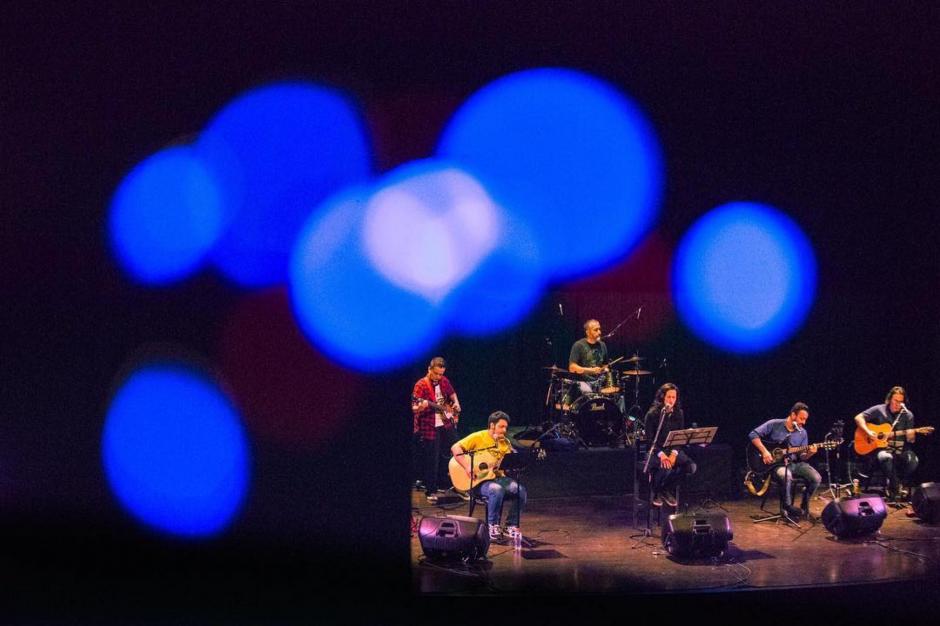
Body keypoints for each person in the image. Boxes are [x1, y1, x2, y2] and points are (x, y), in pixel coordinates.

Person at [451, 411, 527, 542]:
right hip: (478, 481)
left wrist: (516, 459)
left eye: (506, 427)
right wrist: (467, 466)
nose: (505, 430)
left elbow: (508, 461)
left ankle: (511, 525)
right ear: (492, 425)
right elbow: (455, 448)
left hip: (498, 478)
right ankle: (492, 526)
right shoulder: (478, 436)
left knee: (520, 490)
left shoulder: (505, 442)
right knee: (496, 489)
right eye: (501, 427)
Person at [748, 402, 821, 519]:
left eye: (805, 419)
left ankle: (803, 505)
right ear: (793, 415)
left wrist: (810, 453)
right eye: (801, 418)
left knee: (816, 478)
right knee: (785, 475)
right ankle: (787, 507)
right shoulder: (774, 424)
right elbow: (753, 434)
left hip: (795, 463)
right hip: (776, 465)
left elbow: (802, 456)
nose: (804, 422)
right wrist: (765, 451)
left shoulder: (803, 432)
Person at [853, 386, 920, 500]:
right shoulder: (880, 409)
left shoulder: (908, 415)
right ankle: (896, 487)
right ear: (889, 399)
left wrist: (912, 436)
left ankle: (895, 483)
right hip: (880, 449)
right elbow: (858, 417)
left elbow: (910, 440)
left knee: (913, 461)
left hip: (900, 449)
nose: (897, 404)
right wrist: (868, 431)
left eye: (900, 401)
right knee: (885, 456)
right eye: (895, 400)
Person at [412, 357, 463, 504]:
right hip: (429, 425)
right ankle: (431, 490)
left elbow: (452, 394)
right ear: (429, 369)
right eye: (436, 374)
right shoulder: (421, 385)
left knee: (458, 449)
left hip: (446, 422)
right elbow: (414, 407)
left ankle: (458, 484)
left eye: (441, 374)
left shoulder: (444, 381)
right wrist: (420, 406)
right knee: (431, 458)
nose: (439, 377)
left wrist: (456, 405)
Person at [643, 383, 697, 507]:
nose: (671, 400)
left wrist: (674, 454)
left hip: (672, 450)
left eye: (674, 397)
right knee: (665, 466)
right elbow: (650, 440)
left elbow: (679, 438)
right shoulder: (652, 414)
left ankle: (665, 489)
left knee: (691, 467)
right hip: (656, 451)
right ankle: (656, 491)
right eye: (669, 397)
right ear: (662, 397)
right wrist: (662, 455)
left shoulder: (679, 413)